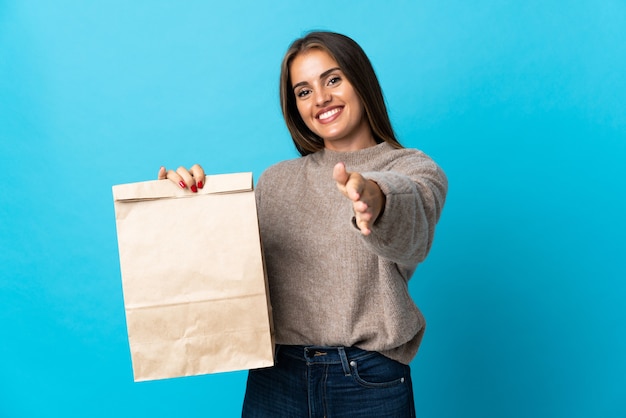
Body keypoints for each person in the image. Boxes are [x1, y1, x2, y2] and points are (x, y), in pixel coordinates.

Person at [158, 31, 447, 418]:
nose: (321, 98)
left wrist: (374, 198)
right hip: (275, 378)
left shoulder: (411, 168)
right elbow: (225, 271)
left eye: (332, 79)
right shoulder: (276, 182)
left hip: (367, 383)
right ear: (295, 107)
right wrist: (185, 207)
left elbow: (412, 215)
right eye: (304, 91)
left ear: (360, 80)